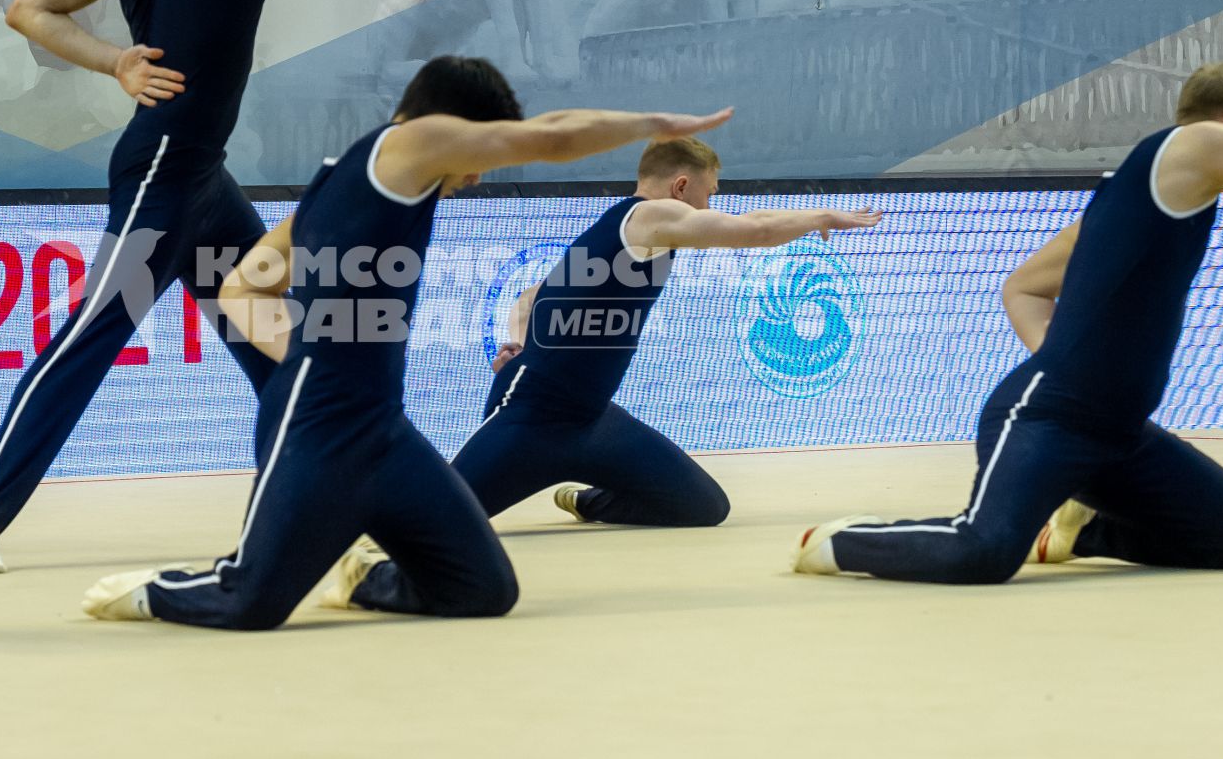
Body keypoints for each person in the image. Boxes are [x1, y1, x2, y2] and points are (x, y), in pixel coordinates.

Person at [0, 0, 603, 573]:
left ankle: (337, 501)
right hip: (163, 171)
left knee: (288, 345)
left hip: (197, 174)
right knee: (96, 332)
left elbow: (31, 7)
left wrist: (110, 62)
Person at [78, 57, 732, 630]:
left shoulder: (359, 178)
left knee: (484, 589)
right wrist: (655, 123)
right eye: (481, 155)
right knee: (251, 602)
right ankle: (153, 592)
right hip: (318, 427)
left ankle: (365, 580)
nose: (478, 177)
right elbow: (554, 137)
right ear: (450, 130)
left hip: (383, 430)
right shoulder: (407, 146)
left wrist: (305, 351)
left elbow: (243, 286)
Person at [790, 63, 1223, 584]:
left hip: (1120, 432)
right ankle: (839, 541)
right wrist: (1064, 372)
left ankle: (1081, 535)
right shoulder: (1204, 140)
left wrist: (1080, 363)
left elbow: (1023, 287)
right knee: (982, 549)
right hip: (1049, 418)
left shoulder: (1137, 197)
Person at [426, 136, 880, 535]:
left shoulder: (612, 230)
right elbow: (755, 229)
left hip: (591, 420)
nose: (709, 209)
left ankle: (585, 499)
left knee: (703, 506)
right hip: (533, 414)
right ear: (681, 187)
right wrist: (821, 215)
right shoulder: (649, 216)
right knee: (431, 520)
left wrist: (520, 340)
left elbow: (528, 297)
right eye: (709, 195)